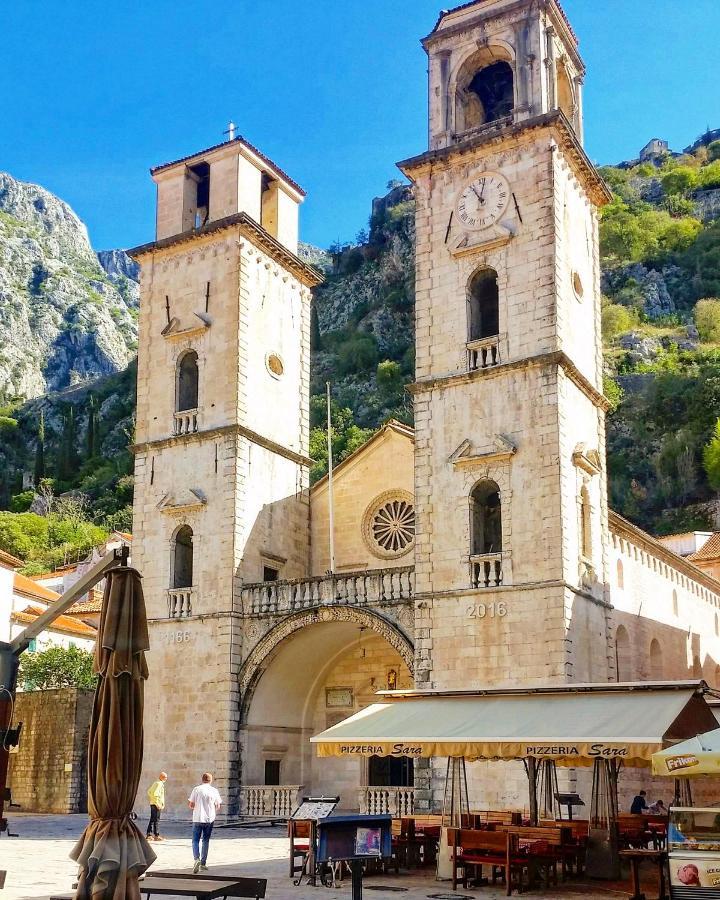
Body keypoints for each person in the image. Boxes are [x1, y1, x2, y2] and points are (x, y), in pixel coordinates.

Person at [189, 772, 223, 873]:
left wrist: (196, 807)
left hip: (198, 818)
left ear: (202, 779)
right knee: (205, 840)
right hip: (209, 818)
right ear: (211, 780)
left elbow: (191, 804)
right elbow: (218, 806)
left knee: (195, 840)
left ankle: (196, 859)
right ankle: (203, 863)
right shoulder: (214, 790)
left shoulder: (196, 789)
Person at [146, 772, 168, 841]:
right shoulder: (159, 784)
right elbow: (155, 794)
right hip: (156, 805)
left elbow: (149, 792)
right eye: (165, 777)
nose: (166, 779)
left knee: (153, 819)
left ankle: (149, 834)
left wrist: (154, 802)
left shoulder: (156, 783)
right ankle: (156, 835)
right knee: (156, 820)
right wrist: (157, 803)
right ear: (162, 777)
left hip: (153, 804)